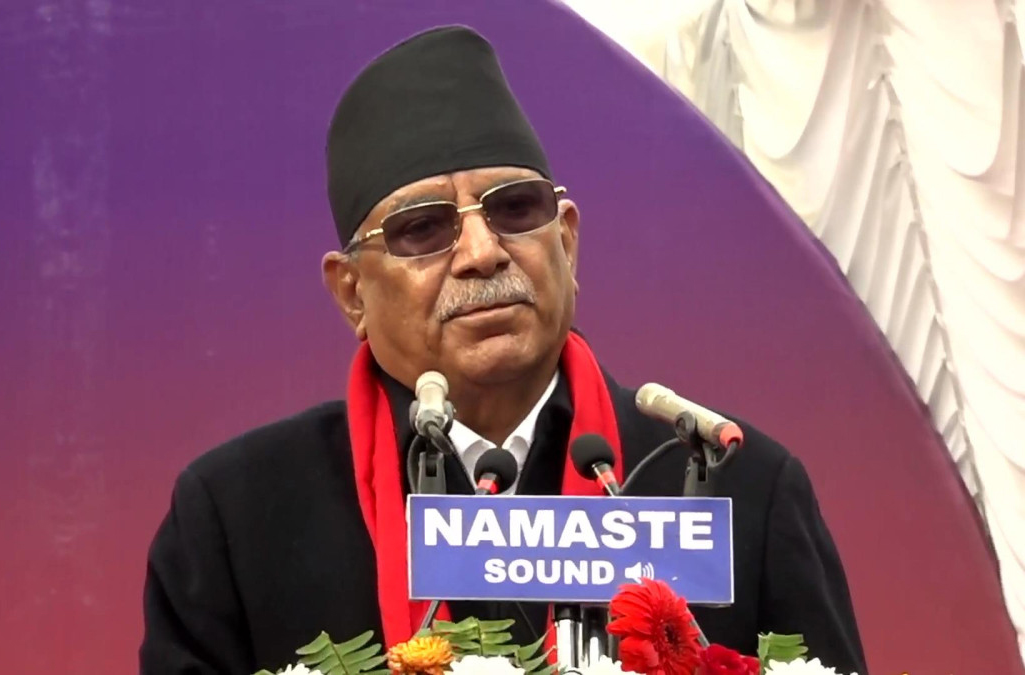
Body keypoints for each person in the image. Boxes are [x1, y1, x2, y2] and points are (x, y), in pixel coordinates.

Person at [140, 25, 867, 675]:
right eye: (424, 229)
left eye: (516, 209)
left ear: (567, 243)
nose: (482, 253)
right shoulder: (239, 518)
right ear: (352, 293)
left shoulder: (736, 491)